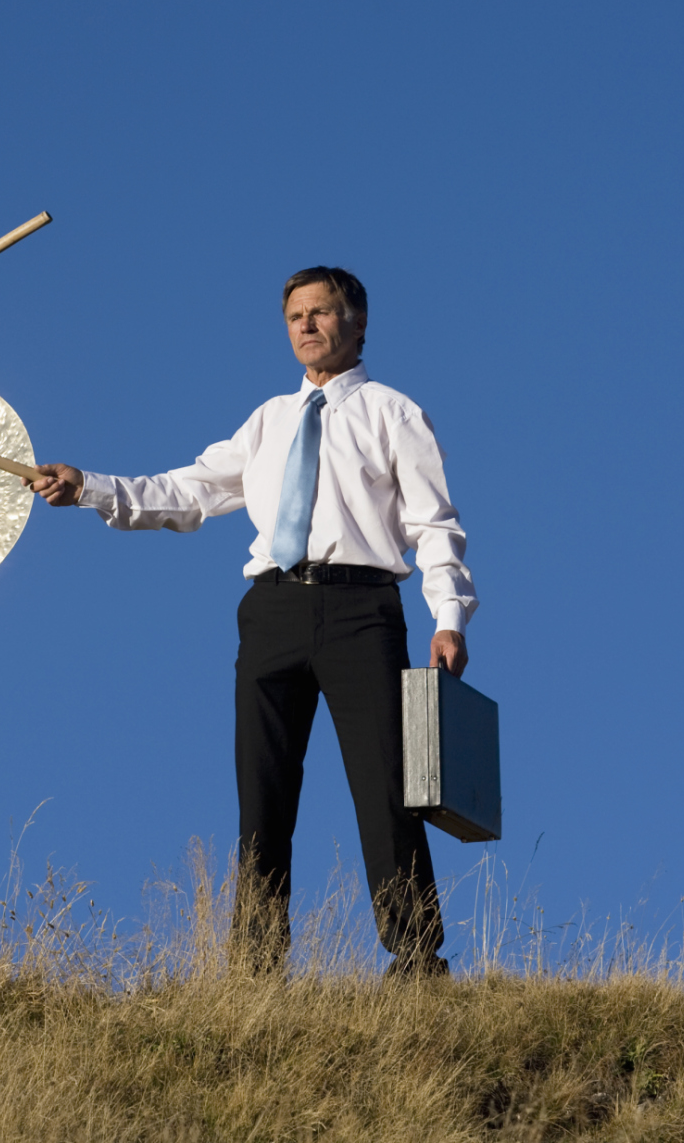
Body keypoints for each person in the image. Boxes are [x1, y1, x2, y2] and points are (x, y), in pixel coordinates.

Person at [26, 266, 477, 978]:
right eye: (295, 315)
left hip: (362, 610)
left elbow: (434, 524)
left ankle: (417, 957)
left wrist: (448, 615)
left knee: (388, 785)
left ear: (357, 323)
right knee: (262, 791)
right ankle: (256, 966)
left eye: (321, 312)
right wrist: (89, 487)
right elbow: (186, 491)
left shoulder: (394, 413)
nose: (306, 325)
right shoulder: (267, 421)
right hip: (271, 612)